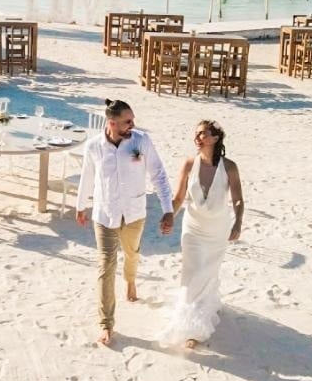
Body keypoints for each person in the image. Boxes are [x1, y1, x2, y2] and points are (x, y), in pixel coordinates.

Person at [76, 99, 173, 346]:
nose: (133, 124)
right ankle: (106, 323)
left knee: (132, 253)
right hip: (104, 214)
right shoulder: (94, 147)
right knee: (105, 266)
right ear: (112, 123)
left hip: (134, 212)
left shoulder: (142, 141)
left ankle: (130, 280)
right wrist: (80, 205)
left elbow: (158, 174)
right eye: (127, 121)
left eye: (132, 120)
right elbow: (87, 176)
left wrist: (167, 209)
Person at [158, 120, 244, 349]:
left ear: (215, 138)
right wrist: (169, 216)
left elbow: (237, 198)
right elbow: (178, 198)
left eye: (203, 134)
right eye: (196, 134)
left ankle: (201, 317)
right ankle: (190, 326)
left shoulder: (230, 167)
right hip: (193, 228)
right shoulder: (188, 164)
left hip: (218, 230)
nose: (197, 138)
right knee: (193, 271)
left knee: (207, 273)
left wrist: (238, 224)